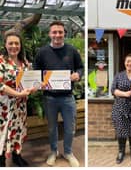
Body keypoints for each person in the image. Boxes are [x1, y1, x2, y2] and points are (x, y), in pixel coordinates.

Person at [33, 21, 83, 167]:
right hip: (49, 98)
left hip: (68, 97)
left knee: (70, 128)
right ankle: (53, 152)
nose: (57, 35)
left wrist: (78, 75)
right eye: (54, 32)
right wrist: (40, 82)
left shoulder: (71, 50)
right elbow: (36, 71)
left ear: (64, 34)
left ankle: (68, 152)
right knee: (52, 128)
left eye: (60, 32)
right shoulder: (42, 52)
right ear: (50, 34)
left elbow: (80, 67)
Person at [0, 31, 34, 167]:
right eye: (11, 43)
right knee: (3, 132)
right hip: (4, 107)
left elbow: (30, 82)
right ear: (5, 45)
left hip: (20, 107)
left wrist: (33, 88)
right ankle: (1, 159)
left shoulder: (24, 63)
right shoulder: (1, 61)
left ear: (20, 45)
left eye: (16, 43)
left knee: (18, 130)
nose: (14, 46)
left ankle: (16, 155)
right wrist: (18, 94)